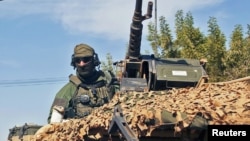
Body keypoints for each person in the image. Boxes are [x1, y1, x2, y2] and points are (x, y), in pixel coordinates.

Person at [47, 43, 118, 123]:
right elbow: (52, 121)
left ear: (94, 61)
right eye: (78, 60)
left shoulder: (109, 83)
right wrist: (70, 124)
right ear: (74, 63)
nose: (82, 64)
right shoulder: (67, 90)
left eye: (86, 60)